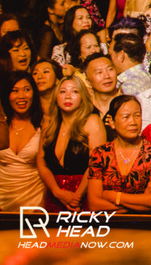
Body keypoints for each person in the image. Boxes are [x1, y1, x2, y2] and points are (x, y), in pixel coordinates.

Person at [37, 74, 106, 211]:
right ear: (56, 97)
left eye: (75, 91)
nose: (68, 96)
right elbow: (41, 162)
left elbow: (97, 165)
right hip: (54, 197)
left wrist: (77, 196)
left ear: (82, 97)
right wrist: (57, 192)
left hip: (84, 198)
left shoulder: (92, 122)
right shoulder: (48, 125)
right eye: (63, 92)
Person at [87, 96, 151, 212]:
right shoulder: (101, 154)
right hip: (108, 225)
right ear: (112, 122)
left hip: (144, 224)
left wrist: (113, 196)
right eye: (126, 117)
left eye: (137, 116)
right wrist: (136, 205)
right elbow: (94, 205)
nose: (133, 122)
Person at [0, 71, 45, 210]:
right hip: (2, 203)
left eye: (26, 90)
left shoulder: (44, 123)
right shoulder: (2, 124)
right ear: (7, 95)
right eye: (15, 91)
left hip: (35, 204)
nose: (21, 96)